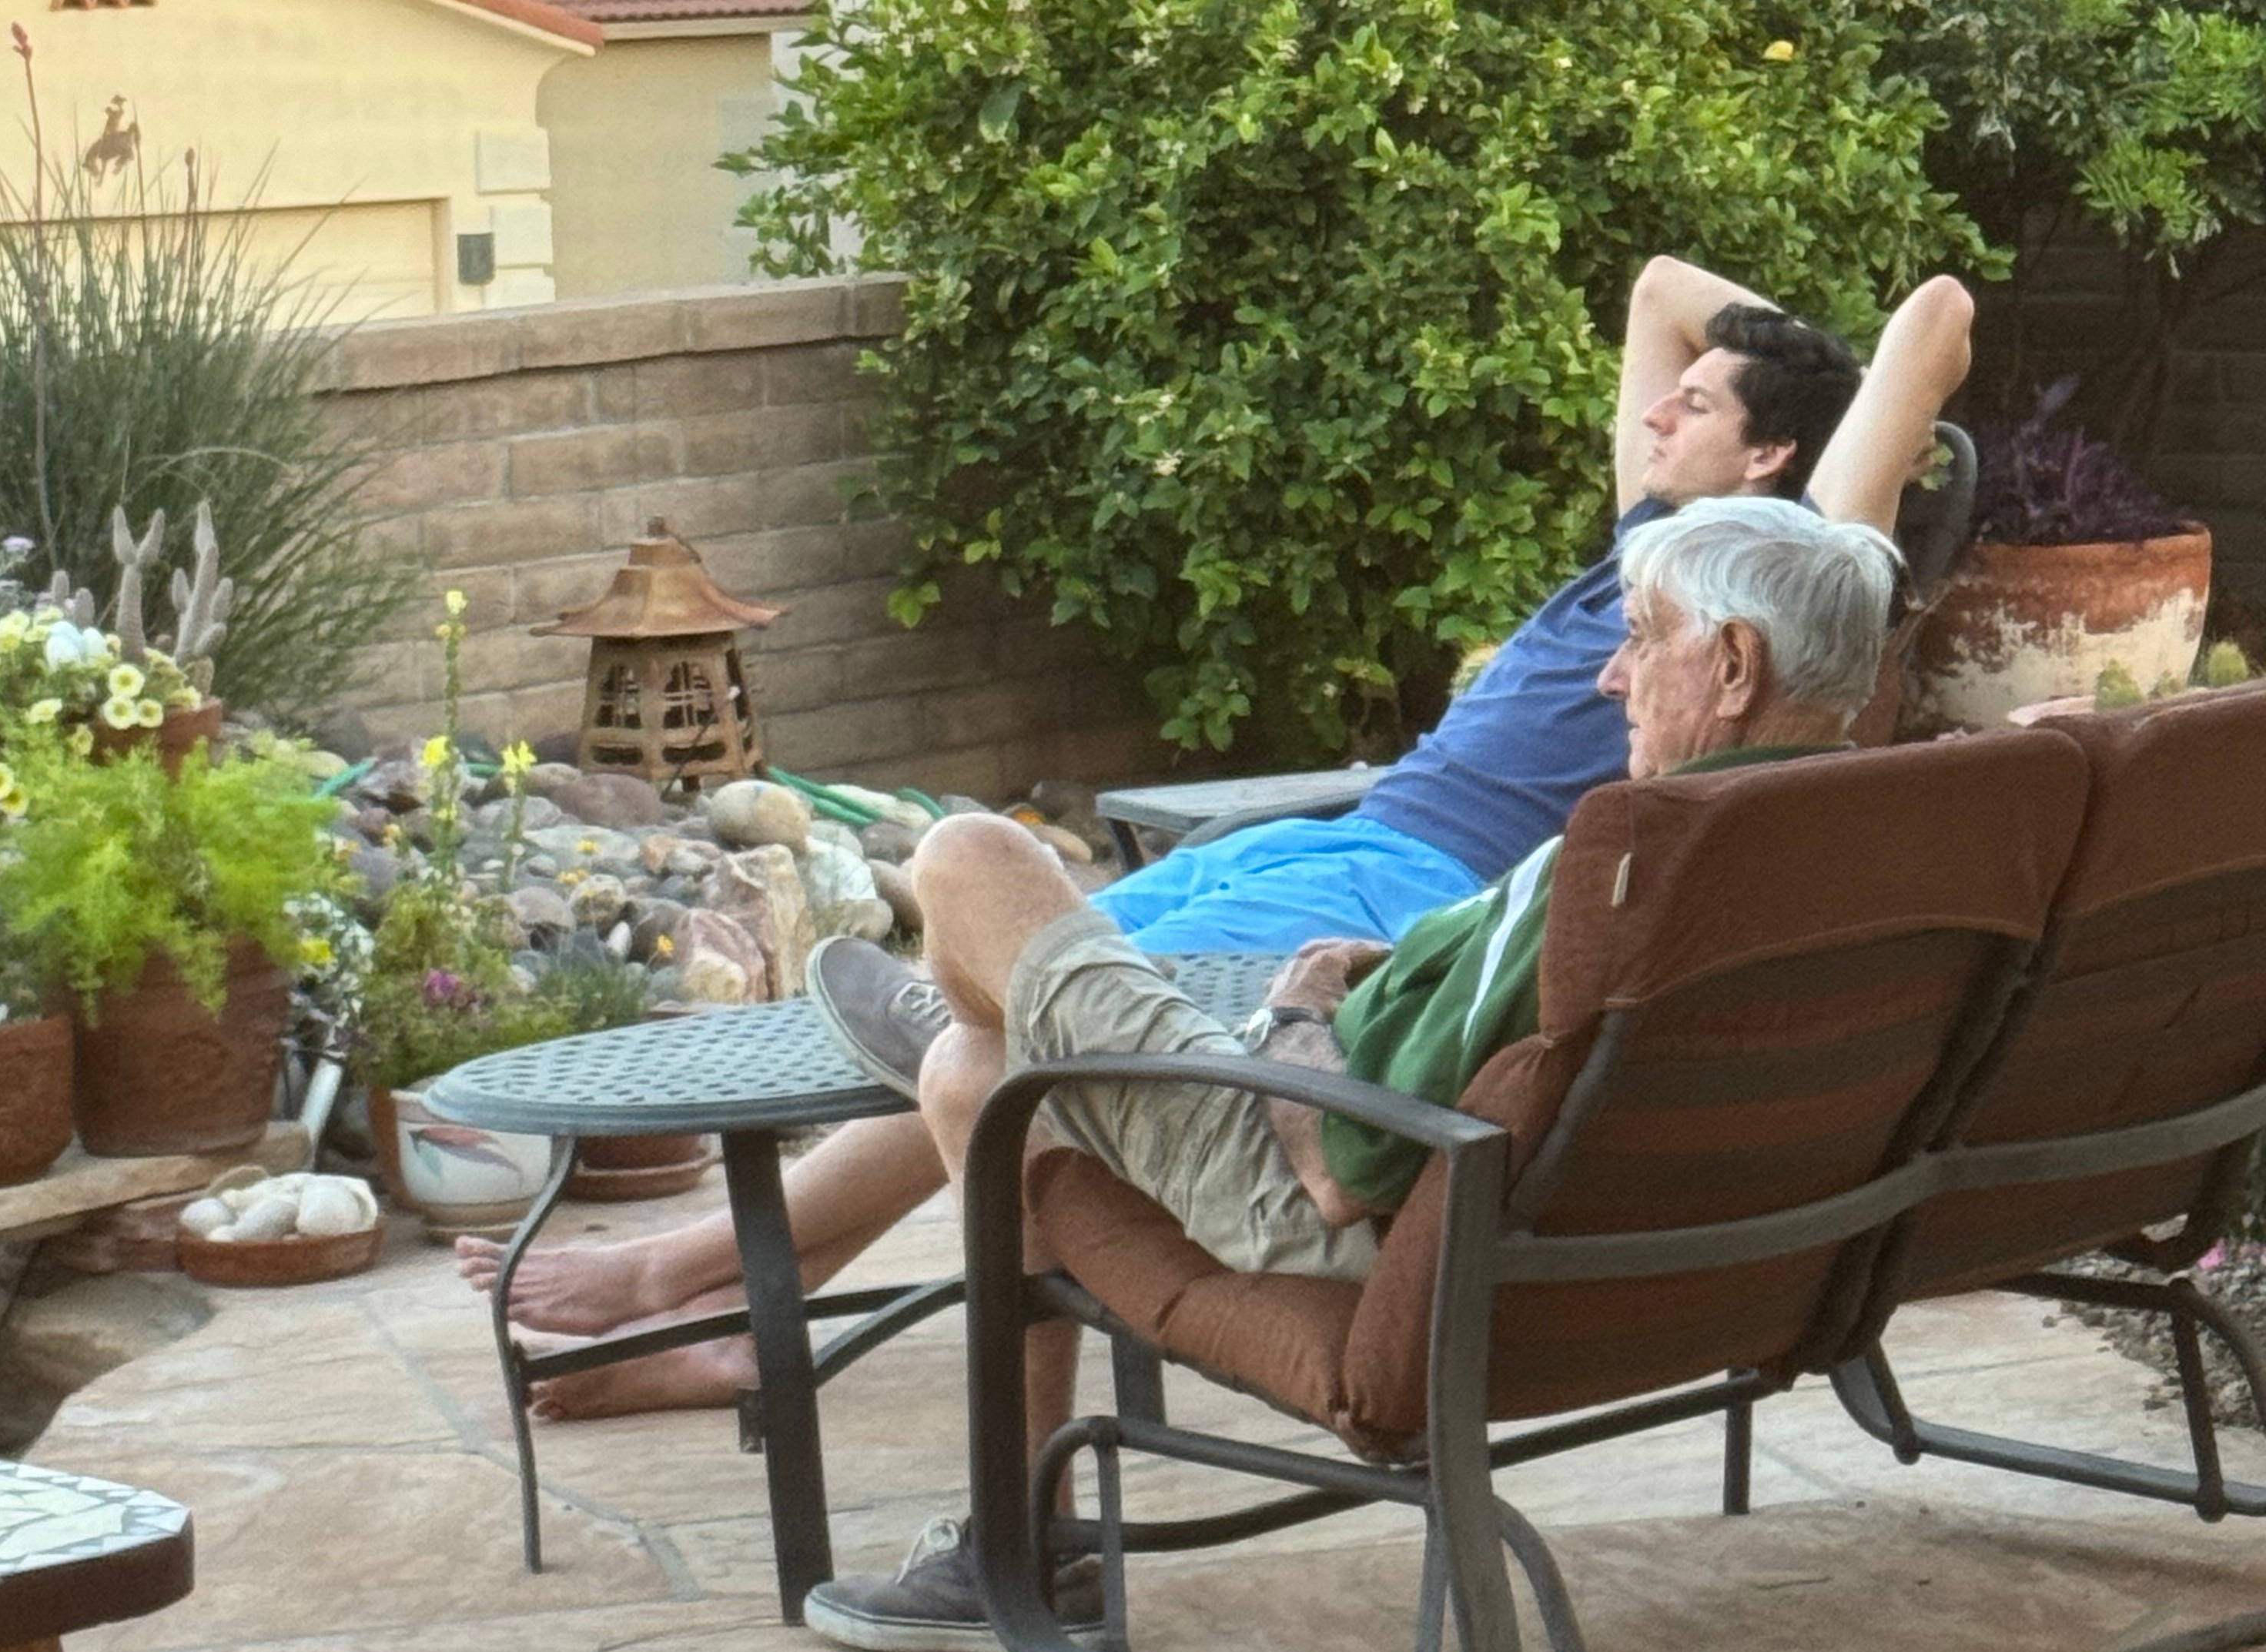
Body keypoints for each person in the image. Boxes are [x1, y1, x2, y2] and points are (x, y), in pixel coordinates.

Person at [454, 260, 1973, 1417]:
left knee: (978, 899)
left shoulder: (1787, 588)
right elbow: (1655, 288)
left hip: (1399, 891)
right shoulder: (1666, 568)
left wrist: (1827, 406)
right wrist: (1752, 366)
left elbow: (1935, 323)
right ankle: (784, 1233)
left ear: (1780, 482)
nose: (1655, 410)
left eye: (1696, 407)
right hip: (1352, 837)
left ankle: (712, 1268)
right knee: (1001, 978)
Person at [800, 493, 1905, 1652]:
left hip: (1357, 1192)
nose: (1610, 679)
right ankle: (1016, 1536)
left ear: (1735, 665)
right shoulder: (1872, 837)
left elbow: (1344, 1167)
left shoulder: (1625, 858)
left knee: (973, 862)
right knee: (975, 1082)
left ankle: (974, 1020)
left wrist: (1300, 1008)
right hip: (1691, 1253)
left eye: (1641, 635)